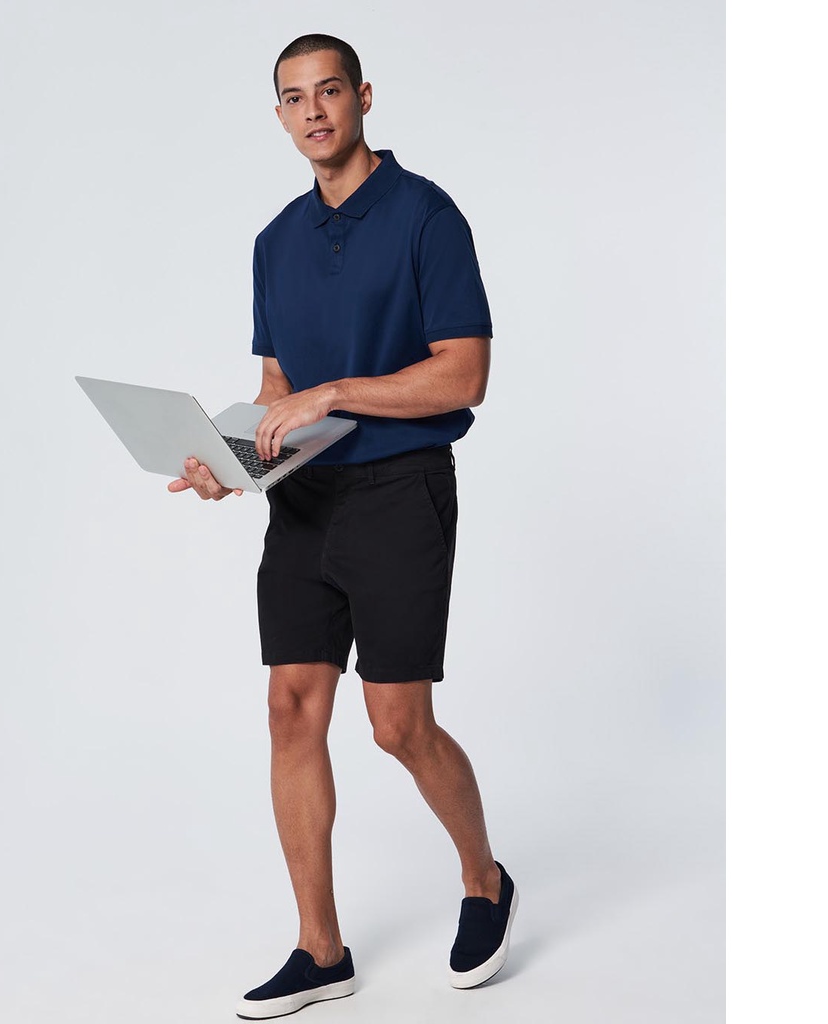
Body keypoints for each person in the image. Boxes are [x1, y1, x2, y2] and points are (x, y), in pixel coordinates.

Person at [168, 33, 517, 1020]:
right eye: (294, 97)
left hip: (401, 490)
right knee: (289, 709)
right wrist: (231, 464)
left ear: (363, 97)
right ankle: (320, 950)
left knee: (397, 724)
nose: (314, 111)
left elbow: (464, 373)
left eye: (329, 91)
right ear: (279, 115)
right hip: (305, 499)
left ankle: (484, 880)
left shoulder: (426, 215)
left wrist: (335, 393)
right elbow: (277, 388)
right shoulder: (274, 240)